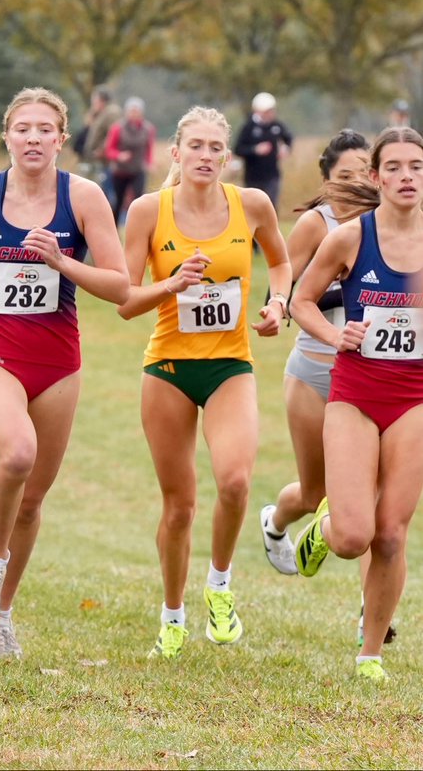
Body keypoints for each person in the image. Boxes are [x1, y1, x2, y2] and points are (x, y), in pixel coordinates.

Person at [0, 87, 129, 659]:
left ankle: (1, 611)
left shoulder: (83, 198)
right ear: (4, 137)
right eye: (23, 129)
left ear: (61, 138)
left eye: (45, 129)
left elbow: (120, 286)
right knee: (17, 453)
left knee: (33, 501)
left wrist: (63, 262)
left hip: (58, 361)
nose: (33, 138)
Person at [117, 106, 291, 659]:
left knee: (235, 482)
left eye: (217, 147)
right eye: (196, 146)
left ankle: (219, 587)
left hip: (229, 366)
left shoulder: (253, 204)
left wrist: (278, 303)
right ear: (175, 153)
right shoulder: (148, 210)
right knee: (180, 506)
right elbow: (125, 300)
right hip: (168, 368)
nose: (207, 156)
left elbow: (281, 264)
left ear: (227, 156)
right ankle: (172, 616)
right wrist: (171, 285)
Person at [290, 127, 423, 682]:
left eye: (416, 166)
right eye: (393, 167)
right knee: (353, 537)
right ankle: (322, 531)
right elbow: (301, 301)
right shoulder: (349, 237)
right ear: (375, 177)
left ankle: (370, 654)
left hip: (414, 396)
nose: (406, 177)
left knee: (391, 532)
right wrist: (333, 334)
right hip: (355, 392)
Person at [262, 131, 371, 574]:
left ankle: (372, 616)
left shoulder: (392, 227)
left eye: (365, 172)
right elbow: (284, 289)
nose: (356, 182)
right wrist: (281, 306)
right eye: (345, 175)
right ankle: (275, 522)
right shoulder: (316, 224)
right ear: (327, 180)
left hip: (371, 376)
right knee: (315, 494)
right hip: (314, 371)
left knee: (370, 498)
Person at [233, 92, 293, 212]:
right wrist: (255, 149)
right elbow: (238, 149)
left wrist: (285, 148)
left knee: (271, 207)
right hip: (253, 177)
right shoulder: (248, 127)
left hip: (272, 175)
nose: (270, 114)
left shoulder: (276, 126)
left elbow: (288, 139)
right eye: (267, 111)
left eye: (272, 110)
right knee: (253, 208)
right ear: (258, 111)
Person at [104, 97, 157, 225]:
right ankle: (114, 229)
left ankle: (140, 227)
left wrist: (149, 163)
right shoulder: (117, 128)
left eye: (136, 111)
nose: (134, 113)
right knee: (118, 202)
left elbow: (149, 148)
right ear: (126, 112)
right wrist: (119, 156)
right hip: (120, 171)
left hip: (138, 170)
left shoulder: (148, 129)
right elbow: (109, 150)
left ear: (141, 112)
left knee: (140, 200)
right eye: (131, 111)